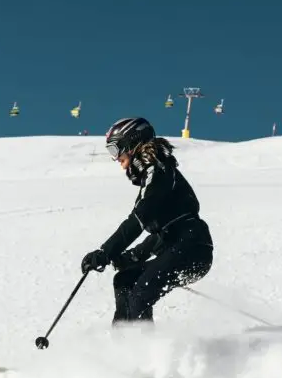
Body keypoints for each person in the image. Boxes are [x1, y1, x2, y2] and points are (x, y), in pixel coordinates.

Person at [81, 117, 214, 325]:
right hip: (180, 246)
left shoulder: (159, 171)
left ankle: (142, 351)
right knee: (125, 280)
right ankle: (122, 345)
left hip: (192, 249)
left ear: (132, 142)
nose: (116, 159)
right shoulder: (153, 175)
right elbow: (163, 232)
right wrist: (132, 256)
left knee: (140, 293)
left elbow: (138, 220)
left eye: (116, 150)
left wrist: (106, 252)